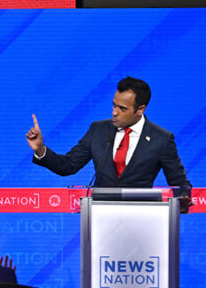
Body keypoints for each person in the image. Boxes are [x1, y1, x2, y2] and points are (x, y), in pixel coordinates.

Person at [26, 76, 192, 211]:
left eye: (122, 108)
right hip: (100, 220)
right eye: (114, 105)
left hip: (142, 222)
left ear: (140, 110)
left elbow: (179, 182)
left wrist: (183, 198)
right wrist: (40, 149)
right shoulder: (98, 130)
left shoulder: (161, 138)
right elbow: (67, 165)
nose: (114, 112)